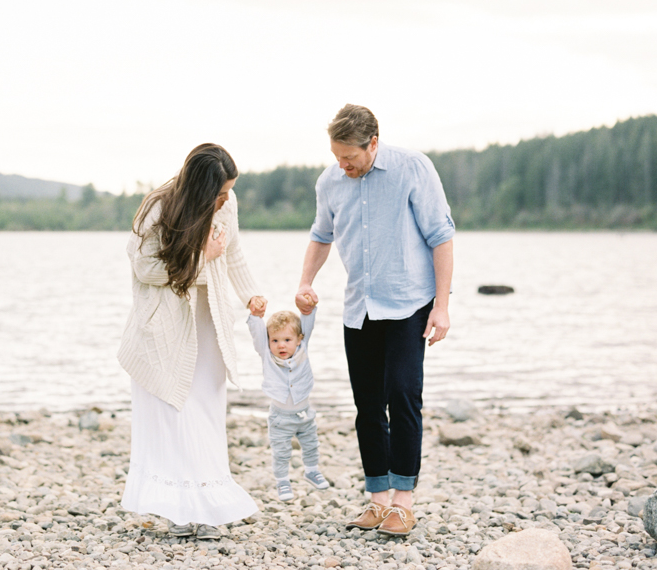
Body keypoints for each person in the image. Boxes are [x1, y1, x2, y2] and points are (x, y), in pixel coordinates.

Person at [295, 104, 455, 537]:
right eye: (337, 156)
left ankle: (403, 503)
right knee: (367, 405)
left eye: (350, 157)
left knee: (403, 394)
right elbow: (320, 234)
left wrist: (442, 305)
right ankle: (377, 499)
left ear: (374, 143)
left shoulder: (412, 168)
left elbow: (441, 235)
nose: (343, 165)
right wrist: (305, 282)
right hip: (359, 307)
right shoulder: (330, 181)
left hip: (409, 302)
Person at [118, 143, 268, 540]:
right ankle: (179, 510)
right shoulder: (160, 209)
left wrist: (250, 293)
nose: (225, 200)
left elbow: (232, 253)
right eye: (219, 194)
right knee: (173, 412)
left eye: (228, 192)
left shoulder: (228, 205)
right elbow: (146, 269)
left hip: (209, 319)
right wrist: (204, 257)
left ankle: (207, 506)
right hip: (167, 326)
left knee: (205, 409)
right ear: (201, 190)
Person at [246, 304, 330, 502]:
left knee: (311, 445)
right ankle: (282, 481)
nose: (281, 345)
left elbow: (307, 323)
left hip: (305, 413)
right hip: (280, 417)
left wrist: (308, 307)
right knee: (281, 451)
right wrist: (255, 316)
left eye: (287, 340)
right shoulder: (267, 355)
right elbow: (257, 333)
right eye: (275, 340)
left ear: (299, 340)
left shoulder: (303, 348)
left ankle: (311, 471)